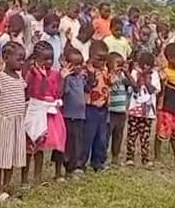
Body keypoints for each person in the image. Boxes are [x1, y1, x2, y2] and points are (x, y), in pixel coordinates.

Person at [23, 41, 66, 186]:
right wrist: (41, 77)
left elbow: (58, 93)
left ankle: (37, 177)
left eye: (51, 58)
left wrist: (62, 78)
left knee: (40, 147)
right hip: (35, 111)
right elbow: (34, 91)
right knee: (29, 147)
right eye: (45, 59)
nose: (48, 62)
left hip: (47, 112)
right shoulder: (32, 73)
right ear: (36, 59)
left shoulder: (55, 73)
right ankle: (24, 179)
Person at [0, 42, 28, 201]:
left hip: (18, 121)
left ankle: (7, 184)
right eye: (19, 59)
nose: (22, 62)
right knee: (0, 155)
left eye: (23, 59)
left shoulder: (19, 77)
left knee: (12, 155)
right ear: (6, 58)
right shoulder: (1, 77)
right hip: (5, 120)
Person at [125, 51, 159, 166]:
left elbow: (152, 90)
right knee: (132, 135)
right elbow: (135, 88)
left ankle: (145, 158)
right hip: (135, 109)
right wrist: (140, 76)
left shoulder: (154, 75)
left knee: (145, 136)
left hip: (148, 111)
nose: (143, 68)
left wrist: (147, 77)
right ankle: (129, 157)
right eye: (142, 65)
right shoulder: (135, 73)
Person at [82, 40, 110, 172]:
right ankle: (81, 163)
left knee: (101, 137)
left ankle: (98, 162)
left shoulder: (104, 70)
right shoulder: (86, 70)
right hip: (90, 108)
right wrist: (92, 74)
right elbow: (87, 87)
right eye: (99, 59)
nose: (102, 62)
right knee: (88, 136)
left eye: (105, 59)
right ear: (91, 56)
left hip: (103, 107)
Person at [155, 43, 175, 160]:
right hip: (167, 108)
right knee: (161, 133)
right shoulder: (165, 72)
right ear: (170, 58)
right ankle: (157, 156)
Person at [61, 48, 88, 179]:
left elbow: (88, 87)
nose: (77, 67)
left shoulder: (80, 78)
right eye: (74, 64)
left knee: (77, 142)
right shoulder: (67, 79)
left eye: (79, 64)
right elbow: (61, 93)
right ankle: (65, 167)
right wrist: (64, 77)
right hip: (68, 116)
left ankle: (73, 167)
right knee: (67, 143)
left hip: (80, 116)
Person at [106, 52, 130, 164]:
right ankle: (103, 157)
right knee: (106, 135)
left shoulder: (124, 78)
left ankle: (115, 157)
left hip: (121, 112)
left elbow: (132, 88)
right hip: (111, 111)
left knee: (119, 135)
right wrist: (111, 81)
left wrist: (126, 72)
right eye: (118, 64)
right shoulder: (108, 77)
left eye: (122, 64)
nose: (120, 67)